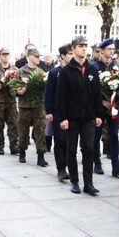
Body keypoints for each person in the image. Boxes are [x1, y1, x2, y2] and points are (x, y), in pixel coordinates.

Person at [55, 36, 103, 195]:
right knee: (71, 149)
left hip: (88, 117)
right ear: (73, 48)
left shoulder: (92, 70)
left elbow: (97, 94)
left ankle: (88, 183)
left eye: (85, 46)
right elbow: (60, 96)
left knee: (88, 149)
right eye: (80, 46)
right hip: (72, 118)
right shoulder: (67, 71)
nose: (84, 49)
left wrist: (98, 114)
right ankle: (74, 181)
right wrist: (62, 118)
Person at [12, 47, 48, 166]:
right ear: (30, 57)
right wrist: (19, 91)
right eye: (36, 57)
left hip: (38, 105)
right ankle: (22, 151)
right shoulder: (21, 71)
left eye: (39, 57)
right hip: (25, 106)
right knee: (23, 130)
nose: (38, 59)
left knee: (40, 131)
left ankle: (41, 155)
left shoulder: (40, 72)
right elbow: (13, 87)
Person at [45, 43, 73, 181]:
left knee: (70, 141)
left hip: (73, 112)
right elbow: (49, 93)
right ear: (63, 55)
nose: (72, 56)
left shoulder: (77, 71)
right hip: (57, 111)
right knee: (60, 140)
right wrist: (48, 110)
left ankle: (70, 166)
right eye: (70, 54)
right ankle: (61, 168)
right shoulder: (54, 73)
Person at [93, 38, 119, 177]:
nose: (112, 51)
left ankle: (116, 165)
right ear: (101, 51)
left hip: (114, 107)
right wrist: (102, 101)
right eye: (109, 49)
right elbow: (91, 90)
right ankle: (96, 162)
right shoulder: (95, 67)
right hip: (99, 107)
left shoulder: (117, 67)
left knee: (114, 135)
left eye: (113, 49)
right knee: (96, 135)